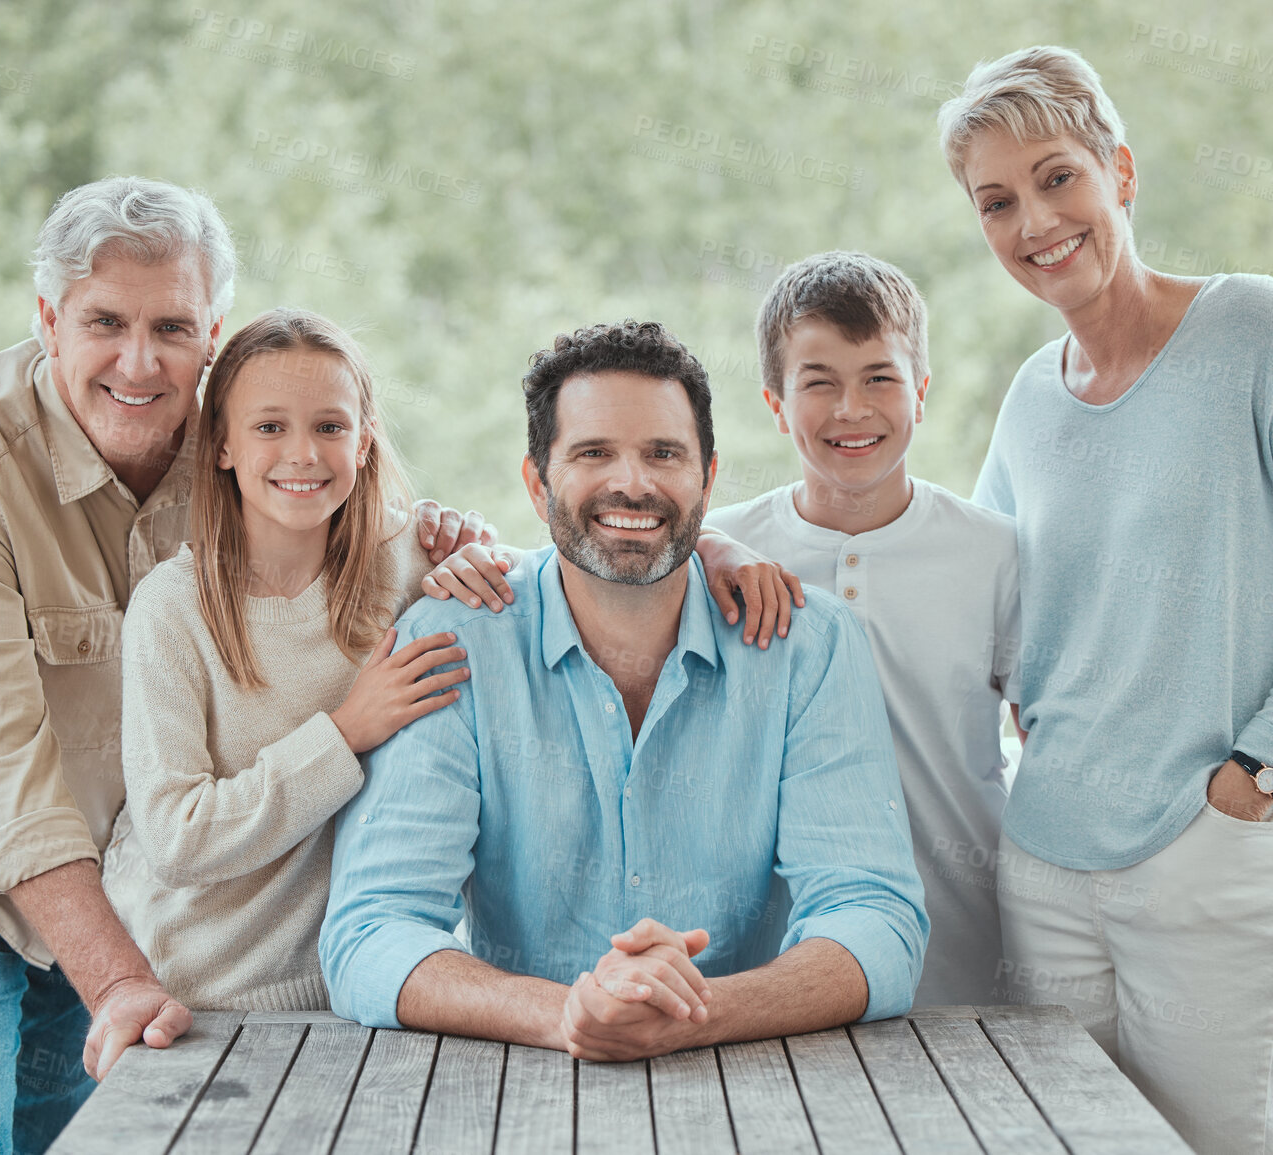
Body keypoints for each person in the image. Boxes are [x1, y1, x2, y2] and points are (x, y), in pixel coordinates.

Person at [0, 177, 490, 1154]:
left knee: (70, 1140)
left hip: (104, 883)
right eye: (105, 322)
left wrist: (446, 537)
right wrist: (120, 977)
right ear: (48, 322)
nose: (140, 361)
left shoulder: (228, 432)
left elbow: (345, 496)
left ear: (212, 332)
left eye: (172, 326)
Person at [937, 46, 1273, 1155]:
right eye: (996, 202)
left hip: (1216, 852)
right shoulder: (1029, 401)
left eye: (1058, 178)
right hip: (1046, 859)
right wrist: (741, 551)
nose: (1035, 222)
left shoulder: (1254, 331)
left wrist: (1259, 772)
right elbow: (982, 588)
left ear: (1122, 173)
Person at [319, 319, 928, 1059]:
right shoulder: (453, 641)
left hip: (758, 1079)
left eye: (663, 453)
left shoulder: (810, 646)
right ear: (536, 480)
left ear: (707, 476)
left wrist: (698, 1011)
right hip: (506, 1080)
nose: (632, 482)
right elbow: (370, 932)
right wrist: (568, 1013)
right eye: (593, 453)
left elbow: (876, 921)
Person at [103, 308, 472, 1011]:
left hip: (361, 993)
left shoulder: (407, 559)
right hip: (195, 1001)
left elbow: (561, 581)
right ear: (222, 446)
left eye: (329, 427)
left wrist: (716, 548)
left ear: (363, 443)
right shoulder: (172, 608)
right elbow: (176, 838)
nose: (302, 454)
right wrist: (346, 731)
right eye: (270, 427)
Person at [704, 250, 1020, 1006]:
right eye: (818, 382)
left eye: (879, 376)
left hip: (966, 961)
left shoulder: (997, 553)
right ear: (776, 403)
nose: (851, 409)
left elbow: (1054, 743)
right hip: (770, 977)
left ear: (922, 391)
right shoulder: (714, 552)